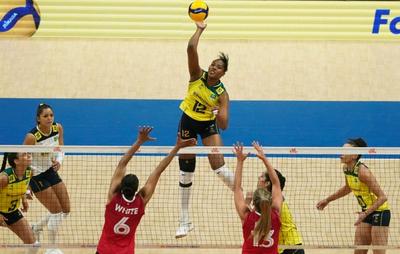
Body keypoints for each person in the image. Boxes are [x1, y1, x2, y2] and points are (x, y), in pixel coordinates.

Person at [176, 20, 234, 238]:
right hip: (188, 121)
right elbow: (191, 49)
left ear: (223, 73)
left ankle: (244, 195)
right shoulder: (196, 75)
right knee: (186, 170)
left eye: (218, 67)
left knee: (218, 166)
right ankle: (184, 220)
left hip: (207, 124)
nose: (212, 67)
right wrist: (199, 30)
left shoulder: (222, 94)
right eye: (212, 64)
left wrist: (220, 114)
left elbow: (225, 126)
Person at [97, 127, 196, 254]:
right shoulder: (140, 202)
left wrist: (139, 141)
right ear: (137, 190)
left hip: (104, 250)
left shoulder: (113, 197)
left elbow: (122, 164)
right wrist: (177, 147)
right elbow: (158, 171)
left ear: (121, 186)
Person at [316, 138, 390, 254]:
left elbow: (382, 197)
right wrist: (327, 200)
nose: (341, 154)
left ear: (354, 155)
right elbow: (348, 187)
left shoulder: (363, 172)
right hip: (366, 212)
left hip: (380, 212)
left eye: (345, 151)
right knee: (359, 251)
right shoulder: (346, 168)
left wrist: (365, 213)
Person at [23, 103, 70, 254]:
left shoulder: (58, 128)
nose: (49, 118)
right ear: (38, 118)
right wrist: (26, 187)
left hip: (50, 170)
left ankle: (36, 227)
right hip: (36, 176)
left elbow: (60, 147)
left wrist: (59, 160)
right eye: (45, 116)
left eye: (51, 115)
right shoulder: (32, 137)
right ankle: (51, 247)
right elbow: (21, 159)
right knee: (56, 211)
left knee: (66, 209)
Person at [233, 142, 283, 254]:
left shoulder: (246, 216)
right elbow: (276, 183)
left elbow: (237, 188)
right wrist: (264, 158)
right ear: (270, 201)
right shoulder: (276, 214)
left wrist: (240, 161)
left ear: (253, 203)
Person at [0, 152, 39, 254]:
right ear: (16, 161)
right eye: (24, 155)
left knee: (34, 245)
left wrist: (24, 199)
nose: (29, 155)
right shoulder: (4, 178)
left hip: (12, 212)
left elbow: (23, 186)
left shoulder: (29, 172)